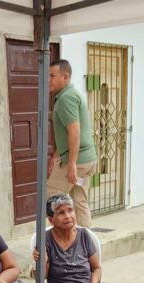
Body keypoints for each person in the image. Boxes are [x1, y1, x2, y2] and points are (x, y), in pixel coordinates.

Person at [47, 59, 98, 229]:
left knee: (52, 200)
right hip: (87, 160)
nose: (49, 80)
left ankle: (53, 245)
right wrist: (56, 155)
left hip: (78, 162)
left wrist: (71, 164)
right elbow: (66, 133)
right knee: (79, 201)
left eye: (52, 76)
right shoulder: (71, 94)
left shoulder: (66, 98)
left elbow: (74, 132)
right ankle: (88, 245)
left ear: (65, 77)